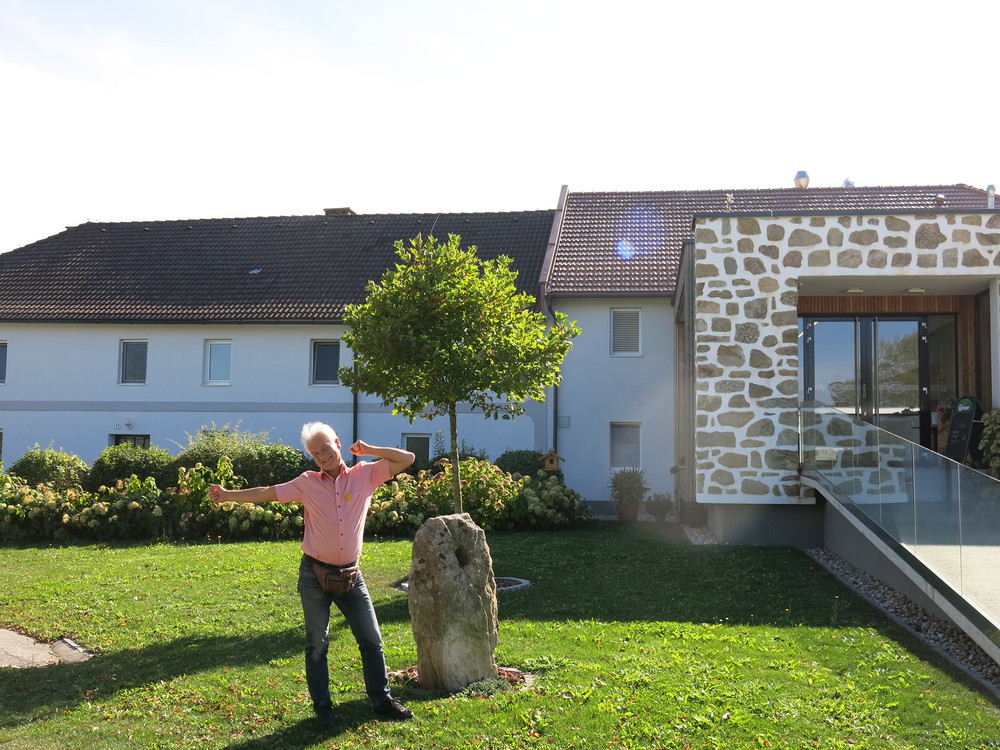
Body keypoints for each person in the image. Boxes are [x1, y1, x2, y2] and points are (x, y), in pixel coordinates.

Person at [208, 421, 415, 728]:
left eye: (325, 448)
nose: (321, 456)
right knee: (317, 643)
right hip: (314, 575)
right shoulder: (307, 482)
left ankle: (381, 699)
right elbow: (267, 493)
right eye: (315, 453)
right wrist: (227, 495)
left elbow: (407, 458)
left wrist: (369, 449)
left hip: (351, 576)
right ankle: (323, 707)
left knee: (371, 639)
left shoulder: (365, 474)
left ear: (338, 443)